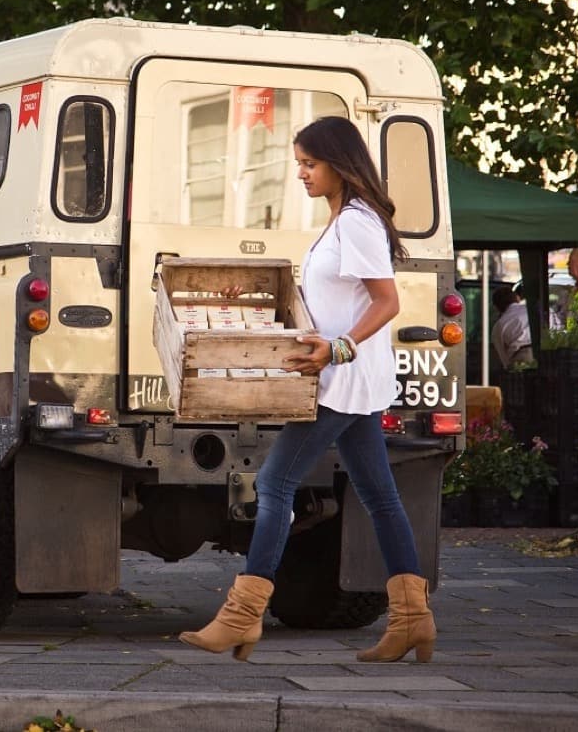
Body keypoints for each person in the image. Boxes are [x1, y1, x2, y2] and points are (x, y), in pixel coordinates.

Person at [179, 116, 435, 664]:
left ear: (339, 165)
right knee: (380, 497)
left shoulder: (358, 223)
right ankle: (413, 621)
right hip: (347, 378)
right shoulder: (341, 221)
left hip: (340, 378)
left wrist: (340, 347)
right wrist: (249, 293)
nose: (301, 173)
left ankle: (241, 618)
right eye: (298, 163)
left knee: (274, 486)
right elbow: (328, 297)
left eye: (309, 163)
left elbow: (387, 303)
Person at [491, 285, 534, 368]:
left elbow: (504, 359)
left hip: (522, 358)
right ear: (517, 298)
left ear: (496, 307)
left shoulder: (499, 326)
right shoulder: (536, 309)